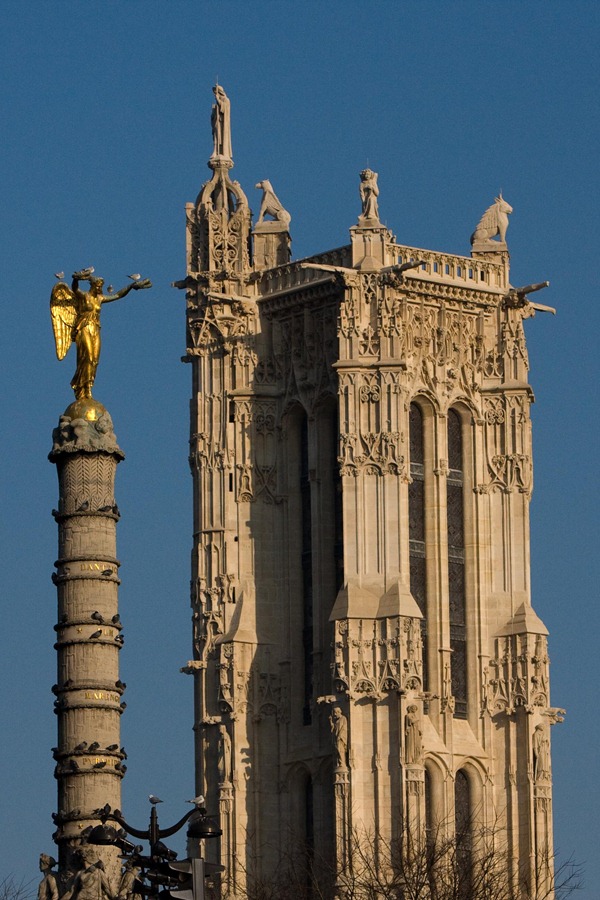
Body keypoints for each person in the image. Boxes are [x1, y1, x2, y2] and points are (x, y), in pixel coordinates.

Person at [50, 270, 151, 401]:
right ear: (92, 286)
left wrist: (131, 287)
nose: (100, 288)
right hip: (84, 329)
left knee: (94, 360)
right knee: (87, 357)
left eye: (100, 287)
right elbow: (74, 288)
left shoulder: (100, 299)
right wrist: (77, 278)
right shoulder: (84, 296)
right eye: (98, 286)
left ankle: (89, 387)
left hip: (95, 330)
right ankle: (82, 388)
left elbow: (118, 295)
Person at [211, 84, 232, 160]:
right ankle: (215, 151)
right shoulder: (218, 102)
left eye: (216, 93)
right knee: (216, 136)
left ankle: (222, 151)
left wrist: (218, 100)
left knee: (221, 137)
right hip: (217, 123)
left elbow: (223, 109)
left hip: (223, 124)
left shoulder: (226, 100)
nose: (215, 94)